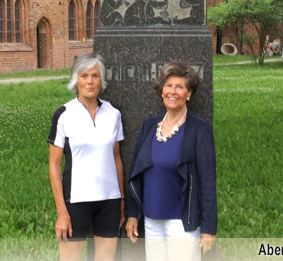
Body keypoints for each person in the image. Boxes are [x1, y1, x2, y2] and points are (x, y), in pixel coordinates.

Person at [126, 61, 217, 261]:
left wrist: (209, 227)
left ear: (189, 93)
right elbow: (137, 172)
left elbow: (207, 181)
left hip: (181, 222)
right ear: (161, 91)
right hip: (151, 219)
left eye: (179, 87)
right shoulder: (149, 126)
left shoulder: (199, 130)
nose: (173, 92)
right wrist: (132, 214)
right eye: (168, 86)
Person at [47, 53, 125, 261]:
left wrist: (122, 202)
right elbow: (54, 166)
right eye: (84, 76)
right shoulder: (63, 114)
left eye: (95, 76)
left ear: (101, 80)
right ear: (76, 80)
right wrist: (62, 212)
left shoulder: (113, 114)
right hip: (76, 200)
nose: (90, 81)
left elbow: (116, 158)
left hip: (109, 201)